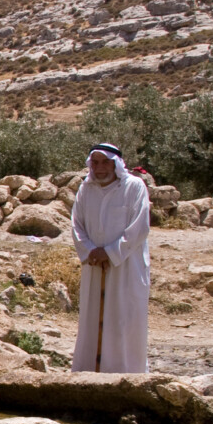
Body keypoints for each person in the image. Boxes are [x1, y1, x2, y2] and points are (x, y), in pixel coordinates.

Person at [71, 143, 151, 373]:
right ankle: (88, 372)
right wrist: (89, 251)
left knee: (125, 319)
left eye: (105, 162)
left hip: (126, 268)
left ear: (116, 164)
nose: (100, 168)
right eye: (95, 163)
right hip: (95, 266)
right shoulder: (86, 190)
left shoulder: (134, 187)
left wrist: (111, 252)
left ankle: (128, 375)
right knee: (92, 319)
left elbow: (140, 227)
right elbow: (76, 225)